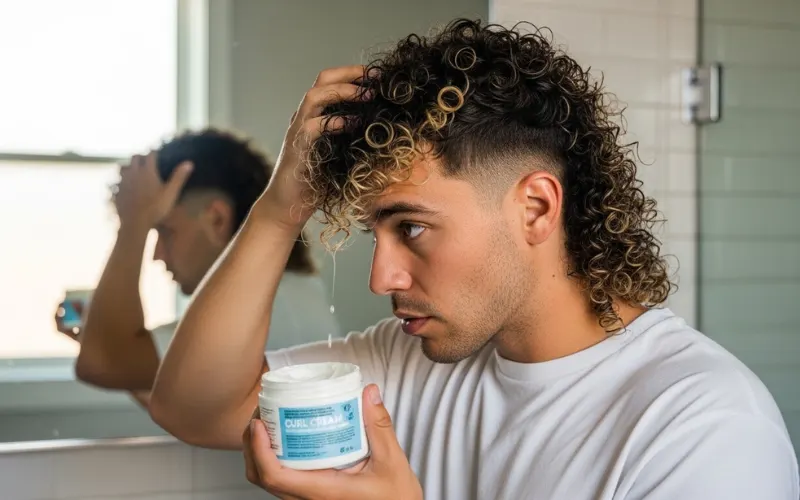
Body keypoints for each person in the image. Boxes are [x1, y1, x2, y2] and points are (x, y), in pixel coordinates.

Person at [149, 19, 799, 499]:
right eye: (378, 231)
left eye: (413, 227)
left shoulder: (705, 427)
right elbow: (195, 409)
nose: (383, 278)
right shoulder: (405, 364)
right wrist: (277, 210)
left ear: (537, 209)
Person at [56, 128, 340, 413]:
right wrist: (104, 342)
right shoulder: (287, 292)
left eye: (165, 231)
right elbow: (182, 412)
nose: (157, 255)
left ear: (216, 219)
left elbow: (104, 363)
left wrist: (135, 223)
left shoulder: (261, 301)